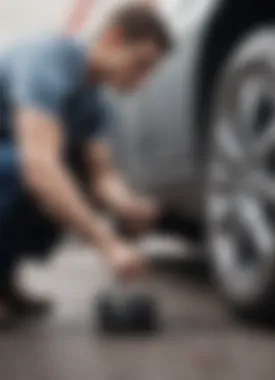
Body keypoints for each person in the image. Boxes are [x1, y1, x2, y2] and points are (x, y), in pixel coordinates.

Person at [0, 3, 172, 326]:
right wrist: (107, 245)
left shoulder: (97, 106)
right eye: (140, 64)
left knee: (72, 185)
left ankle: (3, 282)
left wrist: (128, 206)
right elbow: (38, 167)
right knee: (26, 172)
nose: (141, 80)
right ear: (114, 37)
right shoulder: (49, 59)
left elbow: (102, 176)